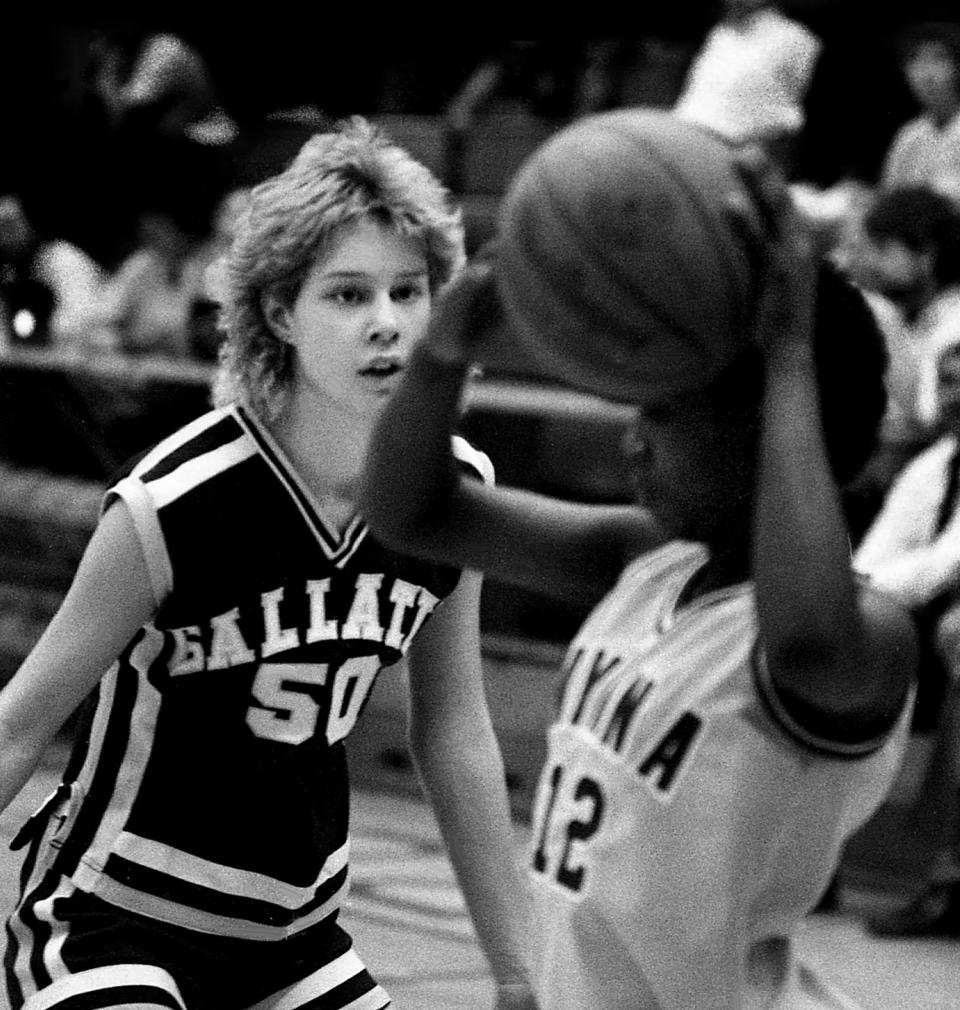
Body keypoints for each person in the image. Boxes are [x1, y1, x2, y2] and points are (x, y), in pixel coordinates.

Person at [0, 117, 537, 1010]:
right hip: (112, 921)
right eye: (348, 295)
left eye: (408, 292)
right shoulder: (173, 502)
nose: (386, 324)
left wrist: (521, 969)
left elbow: (453, 732)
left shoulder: (450, 493)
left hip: (292, 939)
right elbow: (20, 725)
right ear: (280, 312)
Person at [359, 155, 918, 1007]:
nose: (635, 436)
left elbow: (800, 629)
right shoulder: (642, 560)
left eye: (668, 410)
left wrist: (791, 351)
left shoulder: (866, 633)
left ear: (765, 428)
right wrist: (444, 349)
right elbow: (410, 513)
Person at [854, 336, 960, 938]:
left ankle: (947, 877)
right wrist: (848, 595)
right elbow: (884, 552)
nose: (952, 395)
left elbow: (947, 562)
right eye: (944, 381)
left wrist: (863, 595)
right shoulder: (936, 464)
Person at [880, 21, 960, 200]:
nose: (927, 74)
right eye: (916, 60)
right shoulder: (908, 137)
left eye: (939, 58)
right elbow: (888, 203)